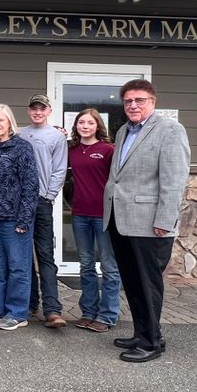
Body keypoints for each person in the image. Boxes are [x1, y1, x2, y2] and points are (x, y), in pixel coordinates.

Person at [104, 79, 190, 362]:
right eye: (128, 101)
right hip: (121, 219)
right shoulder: (122, 132)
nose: (133, 105)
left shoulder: (170, 130)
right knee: (132, 281)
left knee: (147, 283)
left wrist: (165, 219)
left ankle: (151, 343)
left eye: (139, 100)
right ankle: (143, 333)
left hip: (150, 222)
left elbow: (174, 180)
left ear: (152, 102)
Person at [0, 104, 38, 331]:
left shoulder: (22, 148)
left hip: (14, 218)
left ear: (10, 122)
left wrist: (24, 219)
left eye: (1, 120)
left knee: (18, 267)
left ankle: (17, 313)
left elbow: (31, 186)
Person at [67, 108, 119, 333]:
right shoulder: (72, 150)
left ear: (98, 125)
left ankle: (107, 315)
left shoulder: (108, 150)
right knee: (86, 265)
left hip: (103, 215)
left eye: (89, 122)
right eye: (81, 122)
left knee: (109, 267)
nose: (85, 126)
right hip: (80, 215)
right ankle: (88, 312)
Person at [21, 93, 68, 328]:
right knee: (24, 255)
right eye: (34, 109)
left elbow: (60, 169)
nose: (38, 112)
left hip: (41, 202)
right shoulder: (19, 133)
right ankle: (30, 304)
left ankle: (52, 309)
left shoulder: (56, 137)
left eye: (42, 108)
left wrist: (49, 195)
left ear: (49, 110)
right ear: (28, 111)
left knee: (45, 255)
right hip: (20, 203)